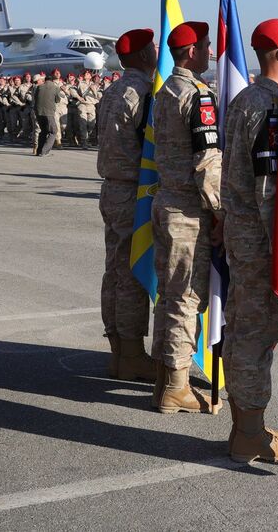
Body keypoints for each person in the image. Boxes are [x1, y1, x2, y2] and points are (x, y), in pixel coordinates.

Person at [220, 18, 278, 465]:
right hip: (262, 240)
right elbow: (269, 190)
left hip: (241, 229)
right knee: (256, 330)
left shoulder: (247, 98)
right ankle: (248, 434)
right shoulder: (271, 105)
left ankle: (246, 424)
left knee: (244, 326)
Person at [150, 20, 222, 414]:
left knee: (168, 294)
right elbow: (207, 162)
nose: (210, 51)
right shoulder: (197, 95)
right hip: (187, 211)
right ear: (192, 51)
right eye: (207, 45)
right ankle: (177, 386)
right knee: (185, 298)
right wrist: (222, 210)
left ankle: (164, 374)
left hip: (165, 202)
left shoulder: (166, 90)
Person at [95, 28, 159, 382]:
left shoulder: (113, 89)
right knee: (133, 274)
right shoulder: (143, 92)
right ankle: (132, 354)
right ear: (144, 56)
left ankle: (119, 352)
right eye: (151, 47)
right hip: (135, 190)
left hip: (112, 188)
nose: (155, 51)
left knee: (115, 271)